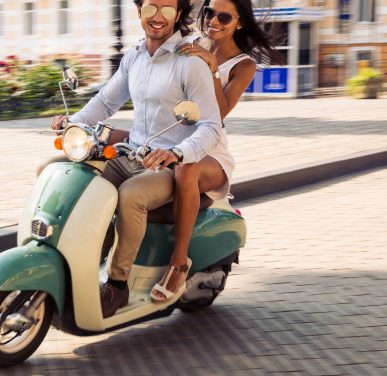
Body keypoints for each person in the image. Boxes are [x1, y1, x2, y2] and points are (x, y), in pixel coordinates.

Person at [50, 0, 231, 318]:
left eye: (166, 9)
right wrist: (74, 122)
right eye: (150, 8)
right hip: (134, 153)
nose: (157, 17)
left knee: (131, 196)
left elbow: (211, 126)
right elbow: (106, 100)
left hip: (170, 163)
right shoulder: (133, 56)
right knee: (66, 173)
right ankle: (76, 261)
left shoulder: (189, 63)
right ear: (139, 12)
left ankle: (117, 286)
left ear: (178, 15)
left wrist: (177, 152)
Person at [150, 0, 283, 302]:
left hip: (210, 150)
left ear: (239, 22)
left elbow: (219, 113)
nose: (214, 20)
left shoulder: (243, 65)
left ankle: (179, 263)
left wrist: (211, 67)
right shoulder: (191, 42)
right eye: (210, 12)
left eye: (224, 16)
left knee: (187, 167)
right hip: (169, 136)